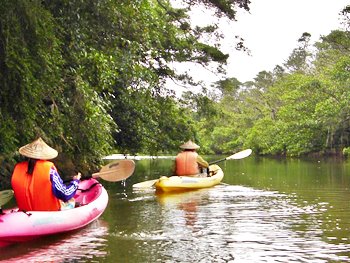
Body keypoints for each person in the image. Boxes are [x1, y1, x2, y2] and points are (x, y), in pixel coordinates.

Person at [11, 137, 81, 211]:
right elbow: (65, 194)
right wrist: (75, 182)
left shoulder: (18, 168)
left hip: (25, 213)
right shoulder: (49, 170)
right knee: (71, 201)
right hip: (47, 213)